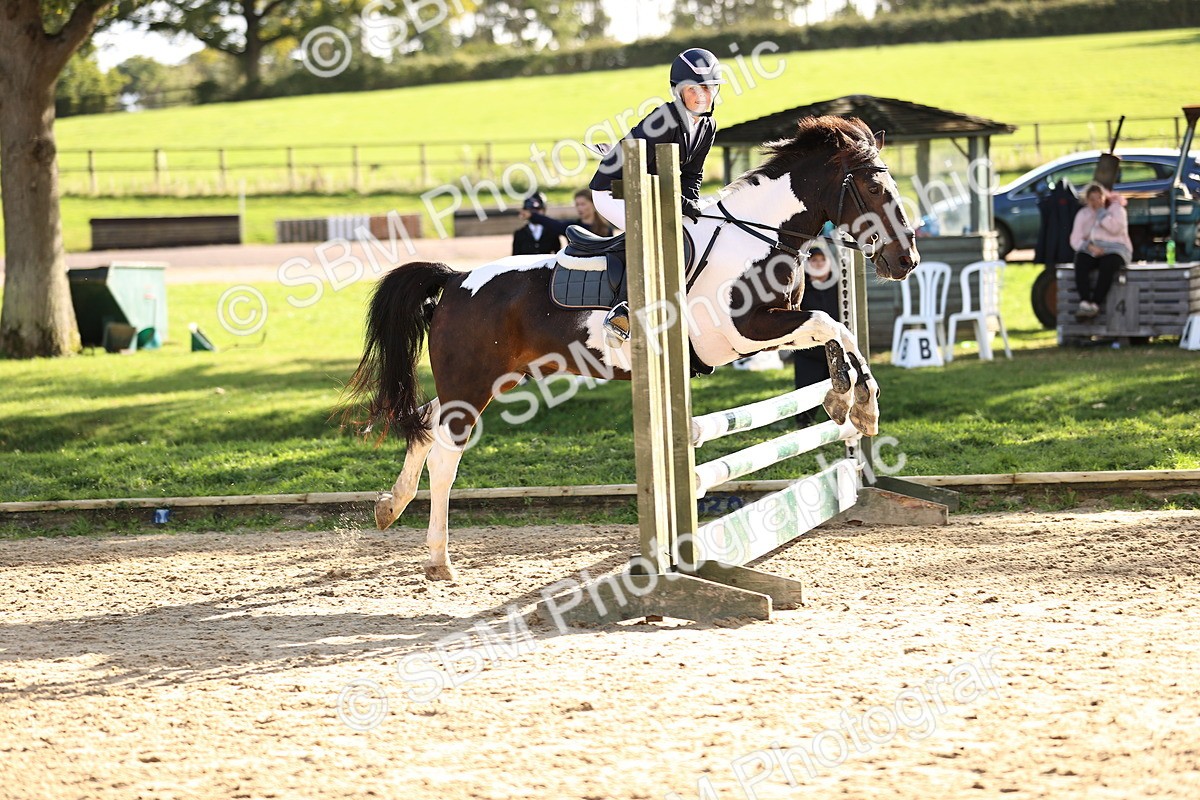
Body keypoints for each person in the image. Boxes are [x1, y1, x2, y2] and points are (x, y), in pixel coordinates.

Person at [589, 47, 726, 344]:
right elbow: (638, 171)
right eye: (694, 89)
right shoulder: (664, 119)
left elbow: (692, 174)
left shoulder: (707, 125)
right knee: (651, 237)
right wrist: (674, 202)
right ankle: (622, 312)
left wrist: (691, 201)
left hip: (651, 190)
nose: (702, 95)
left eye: (709, 88)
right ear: (678, 92)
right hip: (616, 190)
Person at [792, 241, 841, 426]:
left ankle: (840, 423)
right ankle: (804, 421)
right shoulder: (799, 290)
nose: (819, 263)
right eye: (814, 260)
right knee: (806, 388)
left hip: (836, 349)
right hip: (808, 350)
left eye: (823, 260)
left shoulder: (840, 288)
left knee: (839, 391)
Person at [1069, 182, 1132, 320]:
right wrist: (1089, 247)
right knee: (1081, 260)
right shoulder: (1083, 214)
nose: (1096, 202)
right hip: (1093, 249)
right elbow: (1075, 238)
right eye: (1092, 199)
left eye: (1099, 198)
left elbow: (1116, 229)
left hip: (1116, 249)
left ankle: (1096, 303)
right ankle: (1084, 301)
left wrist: (1101, 214)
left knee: (1108, 264)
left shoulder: (1117, 210)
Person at [520, 188, 614, 239]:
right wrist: (532, 215)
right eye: (577, 204)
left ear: (594, 205)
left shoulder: (605, 229)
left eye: (583, 204)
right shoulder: (573, 228)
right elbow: (554, 224)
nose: (579, 208)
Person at [511, 192, 562, 256]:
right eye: (531, 210)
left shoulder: (552, 232)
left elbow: (558, 255)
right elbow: (515, 258)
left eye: (537, 210)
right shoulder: (519, 234)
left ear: (544, 210)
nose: (534, 214)